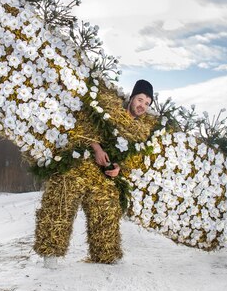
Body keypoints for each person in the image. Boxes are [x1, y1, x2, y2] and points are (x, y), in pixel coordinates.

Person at [33, 79, 155, 266]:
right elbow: (83, 127)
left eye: (147, 103)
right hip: (81, 162)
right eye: (140, 100)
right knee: (62, 197)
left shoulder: (139, 130)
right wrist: (97, 149)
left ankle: (105, 255)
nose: (142, 106)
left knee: (108, 206)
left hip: (104, 174)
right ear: (131, 98)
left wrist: (119, 168)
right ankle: (51, 253)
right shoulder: (110, 110)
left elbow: (134, 157)